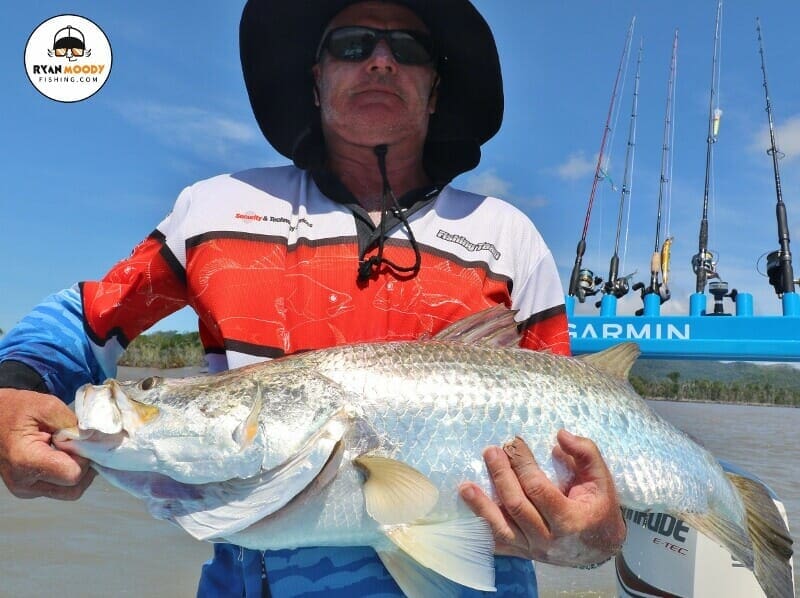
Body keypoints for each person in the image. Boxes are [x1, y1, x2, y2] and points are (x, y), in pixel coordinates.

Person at [0, 1, 626, 596]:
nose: (380, 61)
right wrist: (9, 392)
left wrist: (594, 535)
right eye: (352, 44)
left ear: (435, 89)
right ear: (316, 79)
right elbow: (86, 319)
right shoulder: (214, 208)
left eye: (406, 48)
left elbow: (576, 430)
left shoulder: (509, 236)